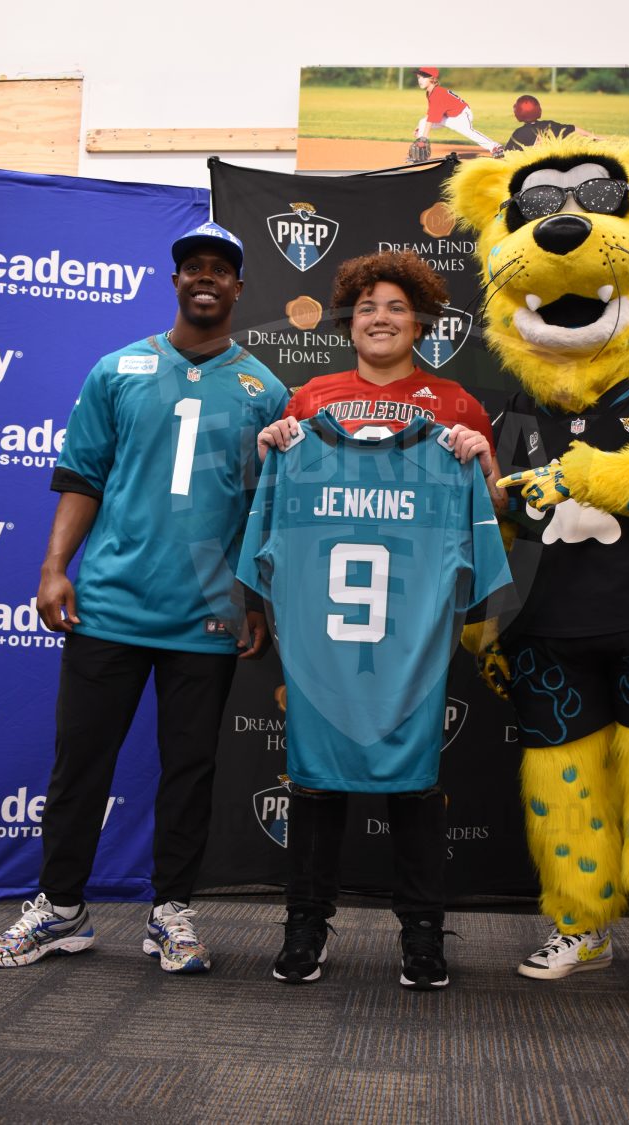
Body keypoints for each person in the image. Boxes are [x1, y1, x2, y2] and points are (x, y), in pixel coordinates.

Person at [0, 222, 288, 973]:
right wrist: (55, 566)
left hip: (207, 613)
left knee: (189, 769)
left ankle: (171, 912)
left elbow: (265, 511)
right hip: (111, 604)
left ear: (239, 287)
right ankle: (60, 907)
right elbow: (82, 478)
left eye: (220, 268)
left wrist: (254, 599)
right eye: (193, 266)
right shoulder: (117, 368)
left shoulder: (265, 389)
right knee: (80, 762)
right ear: (176, 280)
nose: (206, 278)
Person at [252, 249, 508, 990]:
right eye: (367, 308)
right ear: (350, 321)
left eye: (396, 307)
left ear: (420, 320)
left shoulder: (457, 404)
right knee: (314, 780)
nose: (381, 319)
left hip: (411, 628)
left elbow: (490, 512)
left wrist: (484, 460)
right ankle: (306, 925)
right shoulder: (309, 398)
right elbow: (273, 506)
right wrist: (272, 449)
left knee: (414, 783)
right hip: (325, 631)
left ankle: (422, 936)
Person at [414, 67, 504, 157]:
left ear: (432, 79)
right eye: (418, 78)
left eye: (423, 77)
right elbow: (431, 112)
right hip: (449, 116)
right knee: (423, 122)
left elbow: (432, 117)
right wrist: (420, 127)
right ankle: (422, 152)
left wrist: (424, 137)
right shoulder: (430, 92)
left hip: (461, 114)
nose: (420, 80)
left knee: (468, 132)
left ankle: (495, 147)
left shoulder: (438, 93)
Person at [504, 94, 598, 151]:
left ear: (518, 113)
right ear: (538, 110)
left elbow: (507, 154)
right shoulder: (549, 125)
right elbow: (573, 129)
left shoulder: (519, 133)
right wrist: (596, 138)